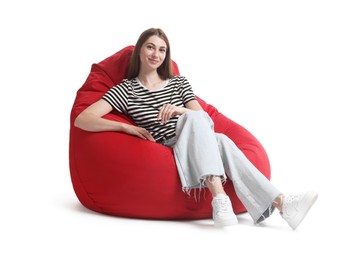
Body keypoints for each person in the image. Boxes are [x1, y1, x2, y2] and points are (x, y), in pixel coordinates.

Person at [74, 27, 318, 229]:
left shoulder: (178, 83)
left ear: (166, 55)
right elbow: (83, 119)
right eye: (150, 47)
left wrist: (179, 110)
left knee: (211, 132)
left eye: (162, 49)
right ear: (140, 51)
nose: (155, 54)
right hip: (170, 147)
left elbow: (202, 118)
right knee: (215, 136)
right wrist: (125, 129)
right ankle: (236, 197)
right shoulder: (126, 90)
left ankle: (274, 203)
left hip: (198, 137)